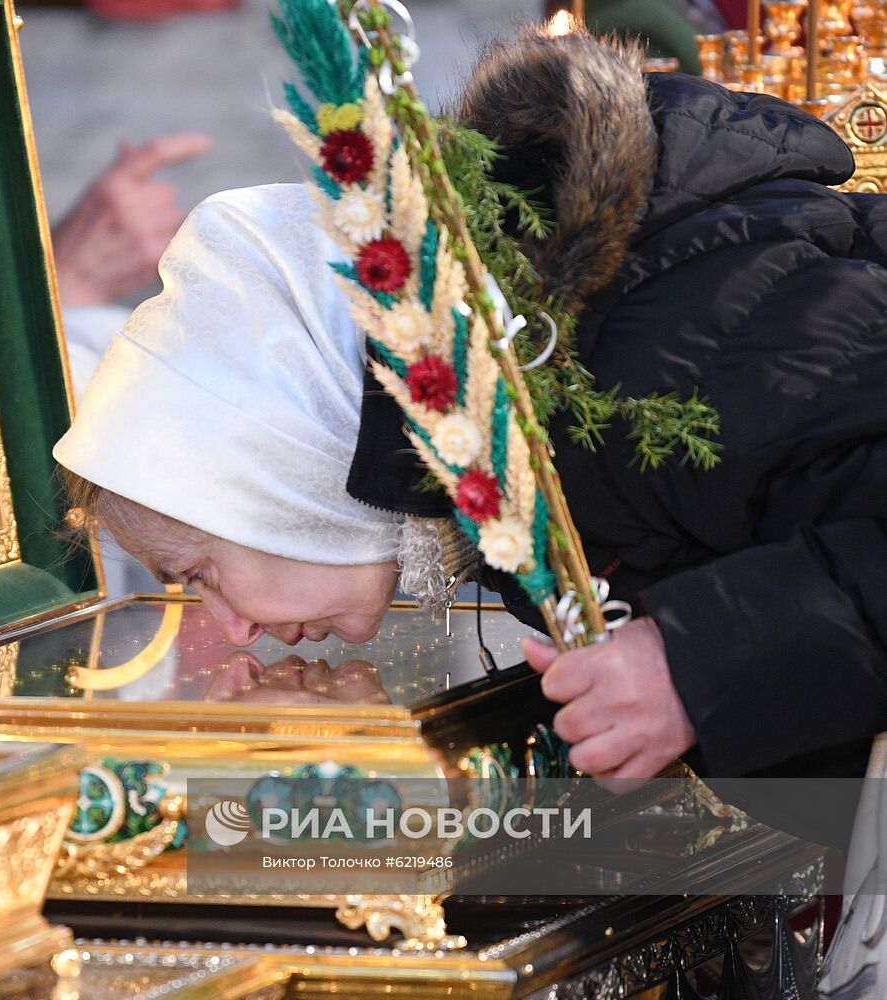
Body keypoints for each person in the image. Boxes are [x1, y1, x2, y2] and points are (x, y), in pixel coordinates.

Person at [54, 26, 887, 802]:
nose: (230, 633)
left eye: (197, 573)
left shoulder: (666, 342)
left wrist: (704, 663)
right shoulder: (510, 451)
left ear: (278, 471)